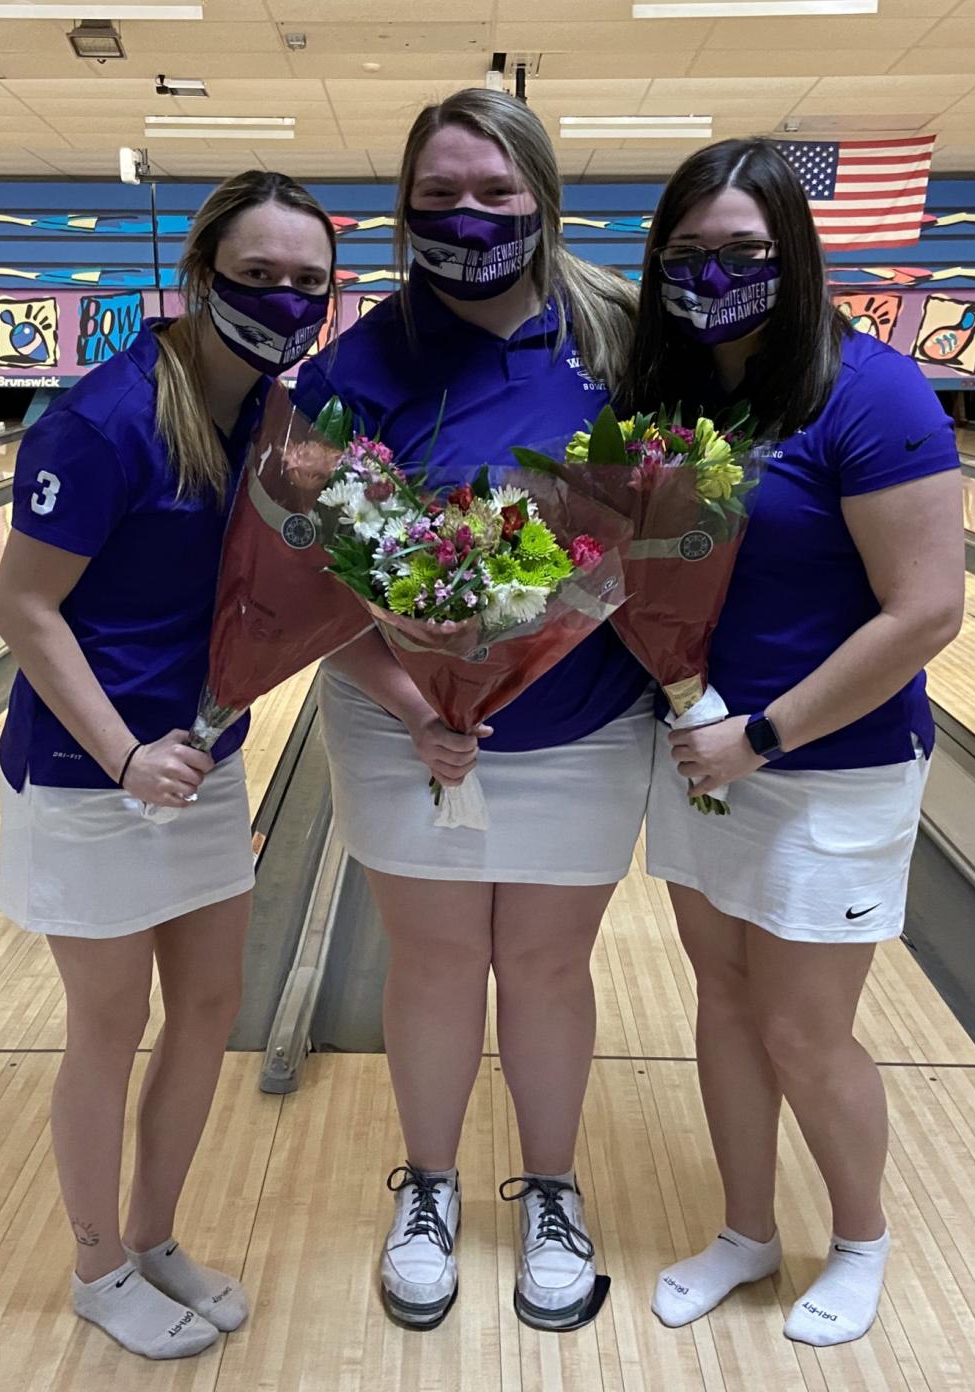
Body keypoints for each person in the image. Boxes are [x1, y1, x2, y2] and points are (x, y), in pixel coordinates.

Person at [292, 88, 650, 1333]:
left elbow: (669, 539)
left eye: (495, 193)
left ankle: (551, 1191)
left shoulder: (619, 340)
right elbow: (302, 577)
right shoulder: (352, 369)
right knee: (437, 966)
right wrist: (409, 698)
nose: (468, 218)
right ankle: (431, 1189)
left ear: (544, 199)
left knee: (548, 968)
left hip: (587, 723)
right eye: (438, 196)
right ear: (403, 208)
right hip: (405, 728)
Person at [0, 171, 335, 1359]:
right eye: (256, 277)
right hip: (94, 775)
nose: (282, 300)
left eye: (307, 283)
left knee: (208, 1009)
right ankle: (94, 1266)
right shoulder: (102, 421)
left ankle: (153, 1234)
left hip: (201, 764)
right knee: (108, 1023)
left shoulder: (271, 421)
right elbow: (23, 609)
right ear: (200, 277)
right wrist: (125, 754)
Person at [624, 140, 964, 1346]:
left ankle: (859, 1239)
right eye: (690, 254)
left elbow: (926, 609)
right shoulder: (671, 398)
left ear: (796, 254)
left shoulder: (870, 392)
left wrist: (760, 735)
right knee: (721, 1003)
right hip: (703, 751)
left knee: (801, 1028)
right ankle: (744, 1230)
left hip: (826, 765)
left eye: (744, 253)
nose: (713, 274)